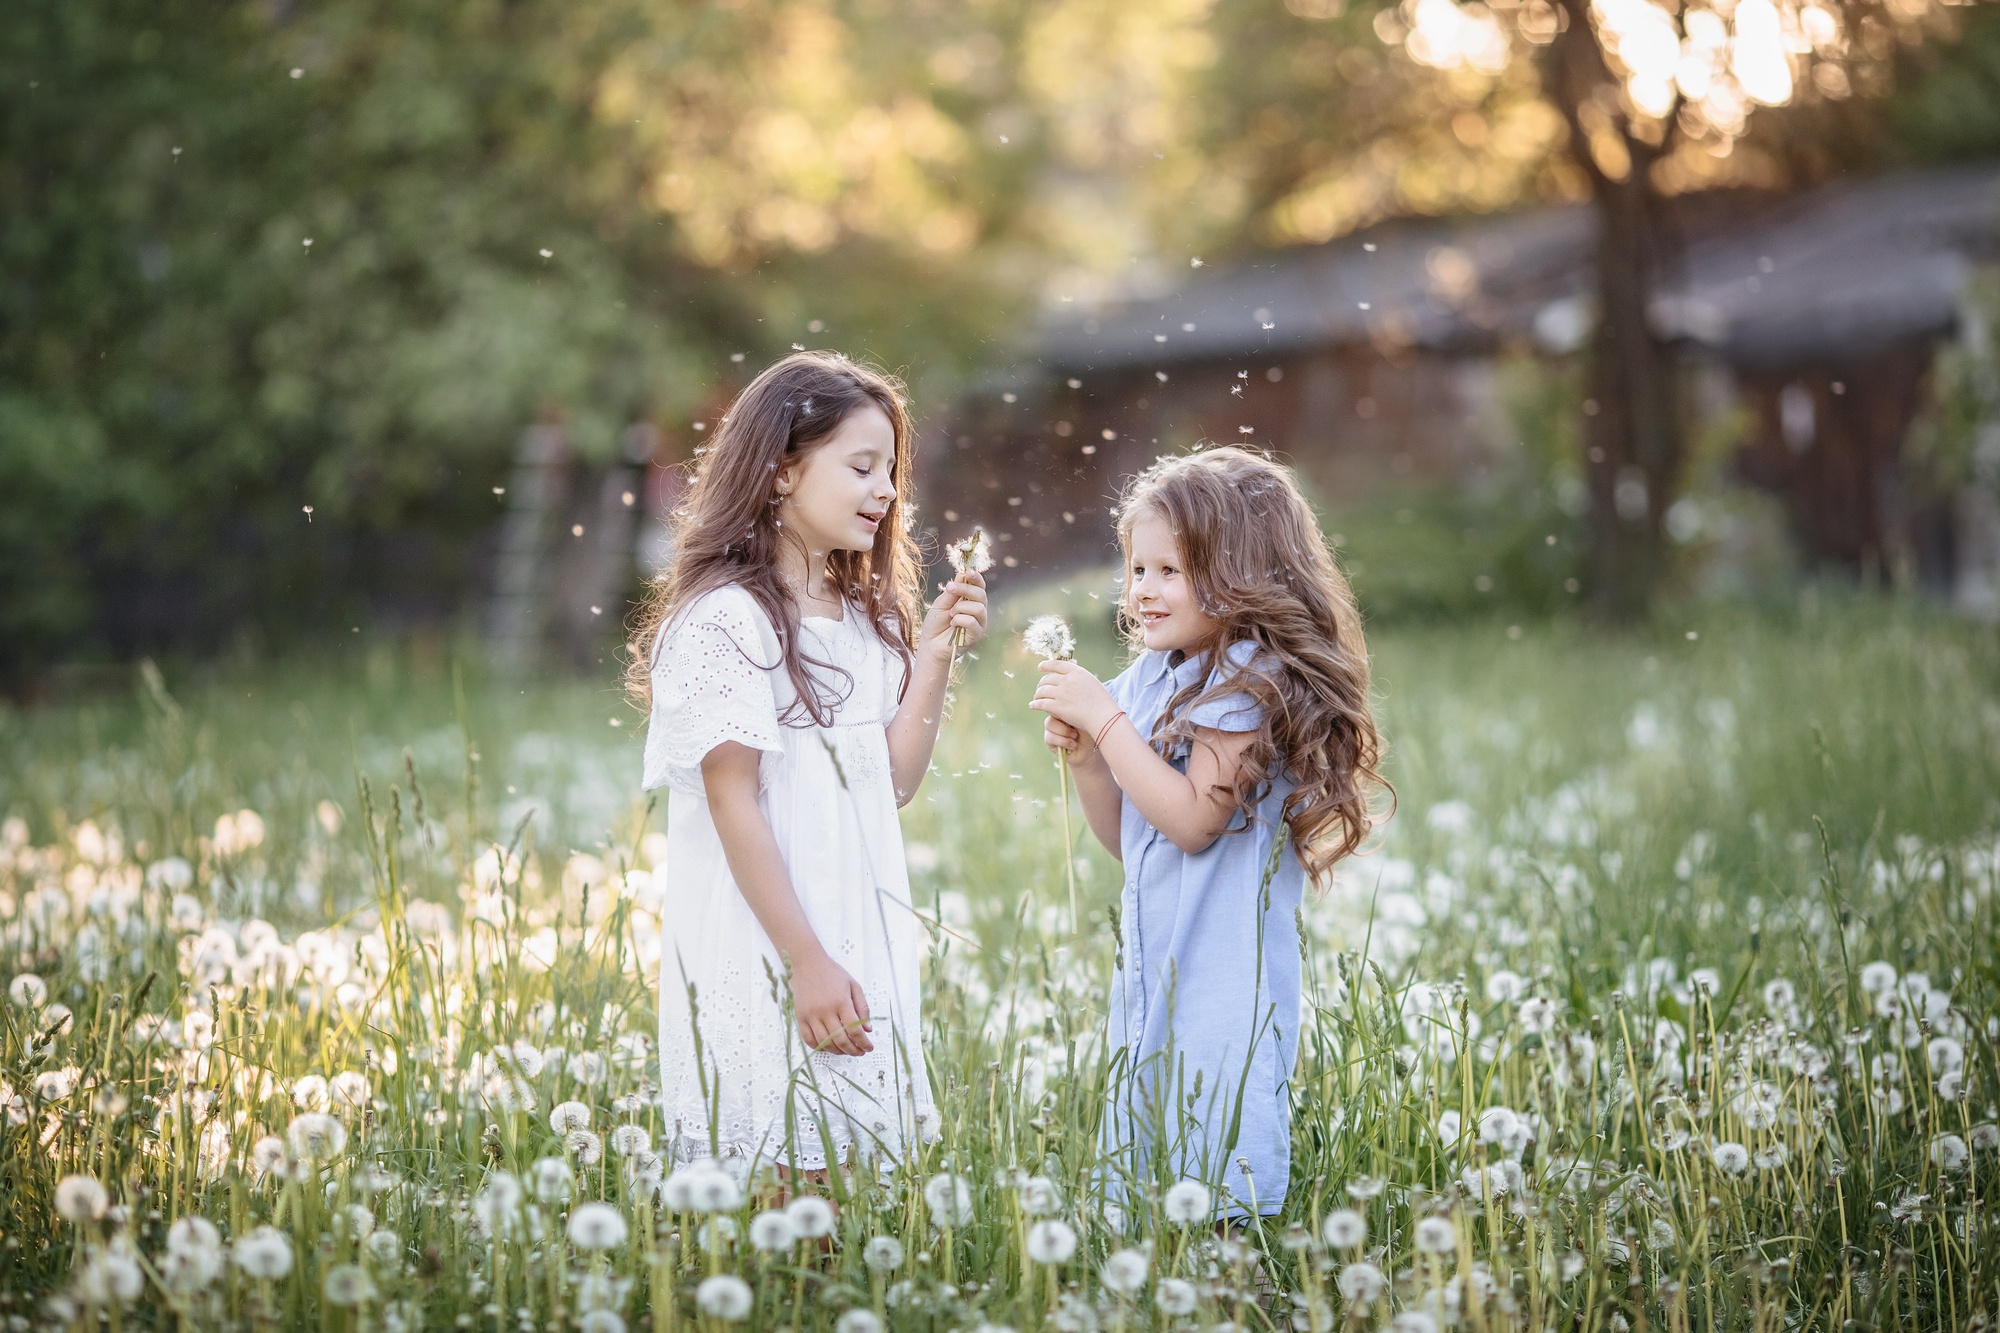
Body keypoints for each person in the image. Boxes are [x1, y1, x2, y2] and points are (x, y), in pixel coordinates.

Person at [627, 351, 988, 1172]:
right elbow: (735, 803)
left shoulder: (864, 620)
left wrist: (931, 655)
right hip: (772, 940)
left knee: (847, 1180)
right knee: (781, 1178)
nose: (887, 491)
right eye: (861, 467)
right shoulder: (727, 621)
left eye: (892, 471)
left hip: (853, 933)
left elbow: (889, 784)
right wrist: (806, 960)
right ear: (784, 470)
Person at [1030, 446, 1386, 1221]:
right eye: (1137, 569)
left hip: (1227, 969)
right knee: (1153, 1133)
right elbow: (1137, 841)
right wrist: (1093, 759)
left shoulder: (1248, 680)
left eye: (1171, 571)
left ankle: (1236, 1280)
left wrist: (1107, 720)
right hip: (1156, 959)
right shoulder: (1152, 677)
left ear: (1238, 571)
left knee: (1222, 1125)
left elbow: (1195, 820)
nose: (1145, 592)